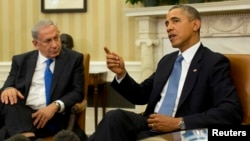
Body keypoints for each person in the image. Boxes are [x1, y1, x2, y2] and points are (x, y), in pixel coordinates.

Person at [88, 5, 243, 141]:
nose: (168, 27)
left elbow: (230, 111)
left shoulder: (213, 62)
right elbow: (141, 95)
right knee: (114, 117)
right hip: (150, 122)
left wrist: (179, 122)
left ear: (195, 24)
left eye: (175, 21)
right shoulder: (167, 61)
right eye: (167, 23)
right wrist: (121, 74)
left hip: (183, 131)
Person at [0, 19, 87, 141]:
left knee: (6, 134)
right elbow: (7, 86)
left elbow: (77, 92)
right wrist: (8, 89)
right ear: (35, 44)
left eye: (56, 38)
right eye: (48, 41)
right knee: (9, 99)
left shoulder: (73, 59)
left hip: (53, 119)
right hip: (24, 116)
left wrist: (55, 106)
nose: (55, 45)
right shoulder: (21, 61)